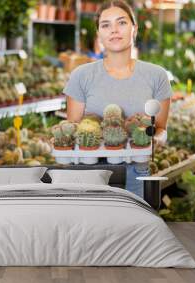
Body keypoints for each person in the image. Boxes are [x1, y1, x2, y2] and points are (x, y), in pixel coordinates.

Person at [64, 0, 171, 198]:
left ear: (134, 28)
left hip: (136, 172)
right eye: (106, 25)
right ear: (99, 34)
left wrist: (153, 139)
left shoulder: (157, 76)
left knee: (132, 227)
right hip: (91, 174)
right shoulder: (81, 75)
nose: (114, 30)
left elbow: (161, 130)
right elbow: (73, 132)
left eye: (121, 22)